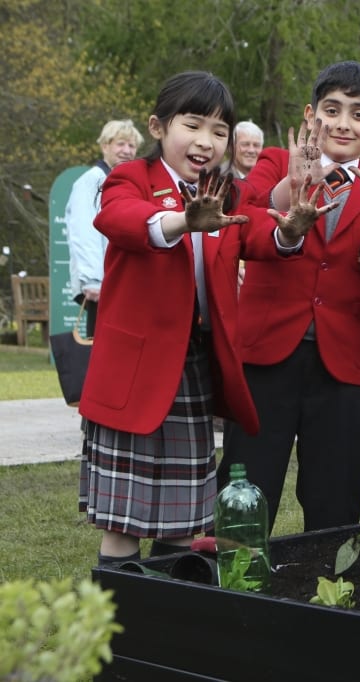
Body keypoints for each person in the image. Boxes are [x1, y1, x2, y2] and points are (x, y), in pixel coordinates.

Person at [77, 71, 329, 567]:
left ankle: (171, 627)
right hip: (135, 375)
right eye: (193, 125)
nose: (206, 141)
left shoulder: (226, 192)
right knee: (122, 527)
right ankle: (118, 631)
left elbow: (257, 232)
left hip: (193, 368)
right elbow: (119, 219)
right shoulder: (132, 178)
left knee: (181, 524)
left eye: (219, 131)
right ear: (158, 126)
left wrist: (289, 233)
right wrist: (181, 221)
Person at [220, 61, 360, 533]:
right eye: (332, 110)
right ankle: (237, 585)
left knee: (335, 487)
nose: (344, 124)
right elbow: (245, 221)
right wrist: (293, 184)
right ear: (312, 115)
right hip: (267, 352)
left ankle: (329, 588)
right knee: (250, 481)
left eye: (359, 114)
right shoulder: (272, 162)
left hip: (340, 362)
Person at [65, 119, 144, 337]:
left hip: (122, 280)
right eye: (121, 144)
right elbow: (84, 233)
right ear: (105, 146)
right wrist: (92, 281)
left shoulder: (124, 183)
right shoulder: (91, 182)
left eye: (131, 146)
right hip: (100, 285)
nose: (127, 151)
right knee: (99, 348)